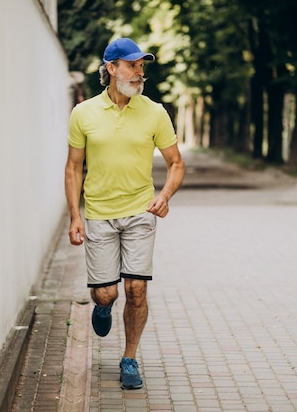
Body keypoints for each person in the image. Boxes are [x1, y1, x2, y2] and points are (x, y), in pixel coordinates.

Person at [64, 37, 185, 390]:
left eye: (142, 66)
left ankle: (129, 357)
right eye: (132, 65)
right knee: (107, 294)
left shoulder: (154, 112)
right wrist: (75, 215)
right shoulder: (83, 113)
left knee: (136, 290)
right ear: (111, 68)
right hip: (99, 214)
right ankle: (101, 307)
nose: (139, 72)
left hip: (140, 212)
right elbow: (73, 168)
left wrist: (165, 195)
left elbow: (176, 163)